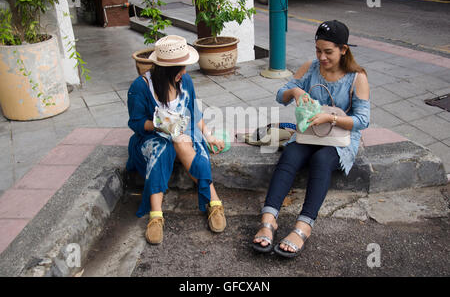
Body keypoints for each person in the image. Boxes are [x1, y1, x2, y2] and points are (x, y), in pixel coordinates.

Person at [252, 20, 370, 258]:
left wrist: (330, 118)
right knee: (290, 155)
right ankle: (269, 219)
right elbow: (280, 95)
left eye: (328, 52)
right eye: (318, 50)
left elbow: (363, 120)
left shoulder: (357, 78)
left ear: (343, 49)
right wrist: (295, 91)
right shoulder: (310, 68)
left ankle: (303, 225)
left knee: (322, 160)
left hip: (339, 138)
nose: (322, 57)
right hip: (308, 132)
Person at [126, 35, 226, 245]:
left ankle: (213, 201)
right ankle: (156, 215)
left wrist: (209, 136)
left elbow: (193, 113)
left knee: (186, 141)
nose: (184, 72)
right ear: (165, 70)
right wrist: (159, 124)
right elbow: (135, 123)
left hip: (182, 132)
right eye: (180, 68)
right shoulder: (141, 87)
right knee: (162, 148)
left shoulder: (185, 81)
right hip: (152, 136)